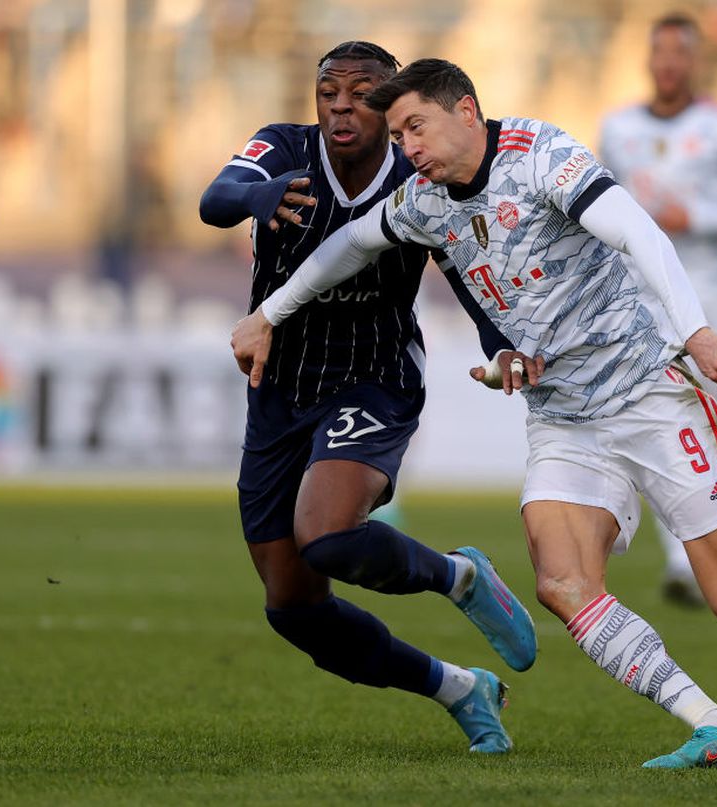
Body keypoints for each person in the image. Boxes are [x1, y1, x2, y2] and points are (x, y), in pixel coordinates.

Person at [232, 58, 717, 769]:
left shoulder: (540, 156)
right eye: (399, 133)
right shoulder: (425, 201)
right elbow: (347, 246)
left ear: (466, 111)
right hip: (564, 420)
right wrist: (268, 313)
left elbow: (637, 231)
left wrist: (695, 330)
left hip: (650, 395)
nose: (404, 145)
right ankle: (714, 726)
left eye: (415, 126)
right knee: (561, 585)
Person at [199, 42, 536, 754]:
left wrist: (497, 346)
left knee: (328, 537)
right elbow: (214, 200)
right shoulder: (282, 148)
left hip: (373, 377)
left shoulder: (418, 177)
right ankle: (458, 687)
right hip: (280, 389)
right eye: (329, 92)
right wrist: (257, 196)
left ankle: (461, 575)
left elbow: (467, 276)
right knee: (293, 606)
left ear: (390, 107)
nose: (342, 105)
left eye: (361, 93)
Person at [598, 13, 717, 606]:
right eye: (660, 51)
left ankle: (714, 551)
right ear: (648, 60)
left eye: (681, 52)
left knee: (716, 416)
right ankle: (682, 561)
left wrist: (696, 218)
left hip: (712, 288)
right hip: (641, 292)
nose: (669, 62)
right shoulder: (618, 128)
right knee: (653, 411)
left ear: (696, 62)